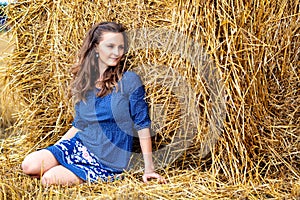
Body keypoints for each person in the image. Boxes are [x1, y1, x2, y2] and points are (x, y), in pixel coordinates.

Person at [21, 22, 166, 186]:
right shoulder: (85, 81)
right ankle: (67, 165)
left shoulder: (130, 80)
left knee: (48, 179)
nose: (117, 53)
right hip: (80, 145)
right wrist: (55, 151)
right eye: (110, 46)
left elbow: (142, 124)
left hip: (108, 158)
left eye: (121, 47)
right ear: (96, 47)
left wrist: (149, 169)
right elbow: (80, 124)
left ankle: (91, 174)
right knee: (29, 165)